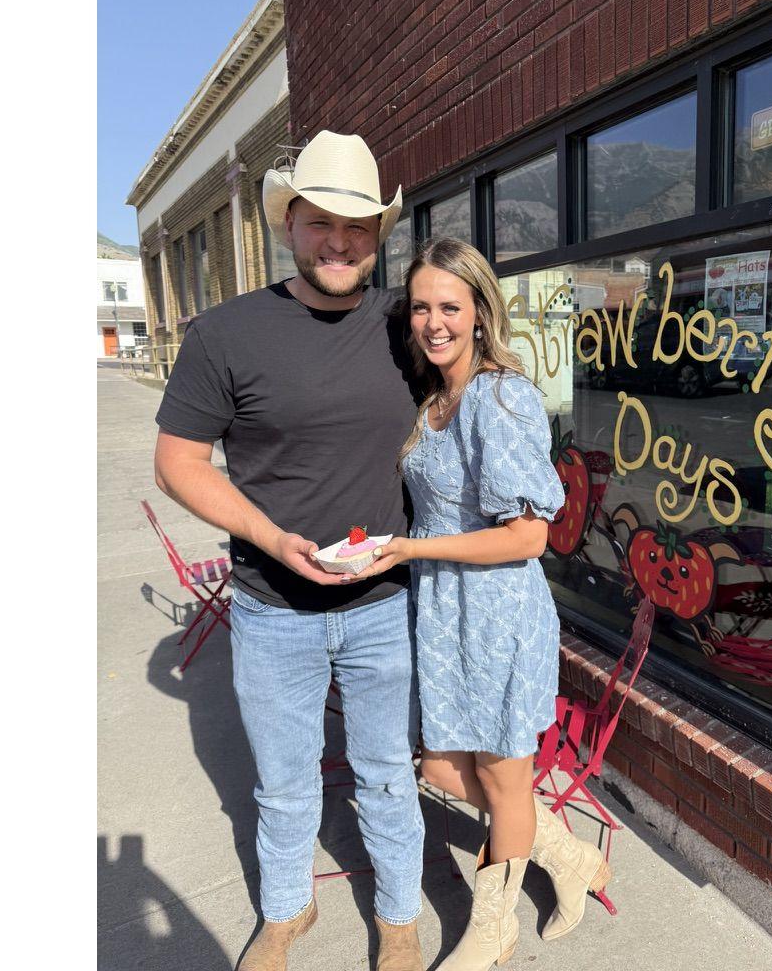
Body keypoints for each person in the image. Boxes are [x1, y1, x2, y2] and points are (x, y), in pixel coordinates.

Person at [153, 130, 425, 971]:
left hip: (384, 603)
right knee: (282, 783)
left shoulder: (408, 325)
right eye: (320, 222)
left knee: (388, 773)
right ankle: (286, 911)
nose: (338, 241)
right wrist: (271, 537)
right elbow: (177, 462)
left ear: (378, 234)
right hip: (273, 610)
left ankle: (400, 918)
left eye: (357, 225)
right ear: (288, 225)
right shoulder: (226, 334)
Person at [354, 239, 611, 971]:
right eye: (421, 308)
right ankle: (570, 857)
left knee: (502, 776)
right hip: (443, 613)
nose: (434, 323)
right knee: (440, 768)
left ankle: (492, 928)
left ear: (479, 312)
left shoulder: (500, 398)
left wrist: (412, 549)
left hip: (497, 615)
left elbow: (529, 536)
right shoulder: (437, 397)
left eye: (450, 307)